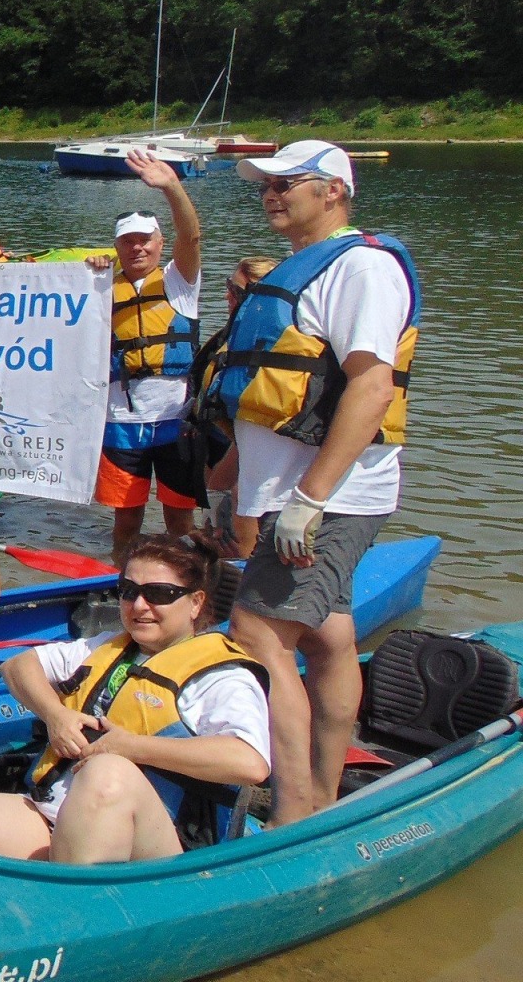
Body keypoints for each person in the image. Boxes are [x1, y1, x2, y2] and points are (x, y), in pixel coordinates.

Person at [201, 140, 418, 827]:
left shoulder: (361, 268)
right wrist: (233, 481)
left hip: (329, 502)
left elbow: (372, 386)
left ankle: (293, 812)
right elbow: (271, 391)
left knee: (258, 632)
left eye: (285, 183)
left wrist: (310, 500)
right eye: (263, 186)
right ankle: (322, 789)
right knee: (327, 638)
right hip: (293, 500)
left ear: (333, 191)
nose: (269, 194)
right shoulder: (303, 268)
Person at [0, 534, 271, 862]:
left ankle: (73, 912)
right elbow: (17, 666)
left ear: (195, 603)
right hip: (56, 814)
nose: (140, 605)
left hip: (156, 844)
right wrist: (55, 715)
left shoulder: (222, 678)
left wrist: (131, 747)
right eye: (128, 591)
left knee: (107, 772)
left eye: (159, 594)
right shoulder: (105, 648)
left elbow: (250, 763)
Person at [91, 148, 206, 565]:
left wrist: (173, 187)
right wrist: (93, 268)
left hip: (175, 420)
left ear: (160, 243)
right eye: (128, 241)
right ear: (117, 246)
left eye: (146, 239)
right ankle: (123, 581)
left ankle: (194, 584)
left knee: (180, 521)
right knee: (126, 523)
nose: (137, 248)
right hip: (122, 423)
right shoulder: (101, 285)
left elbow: (191, 236)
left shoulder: (180, 281)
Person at [189, 255, 279, 557]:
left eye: (238, 292)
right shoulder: (230, 335)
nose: (228, 296)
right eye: (229, 286)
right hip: (211, 442)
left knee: (240, 514)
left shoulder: (269, 340)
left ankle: (247, 574)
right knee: (213, 525)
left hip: (245, 444)